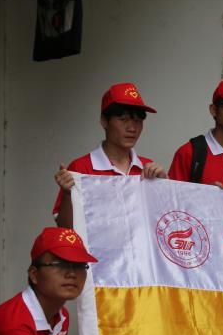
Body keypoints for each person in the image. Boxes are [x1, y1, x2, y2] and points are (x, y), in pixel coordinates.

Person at [53, 82, 167, 228]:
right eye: (123, 119)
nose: (132, 128)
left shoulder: (148, 168)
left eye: (138, 121)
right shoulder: (81, 167)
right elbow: (65, 228)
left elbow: (163, 222)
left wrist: (164, 185)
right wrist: (68, 195)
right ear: (104, 121)